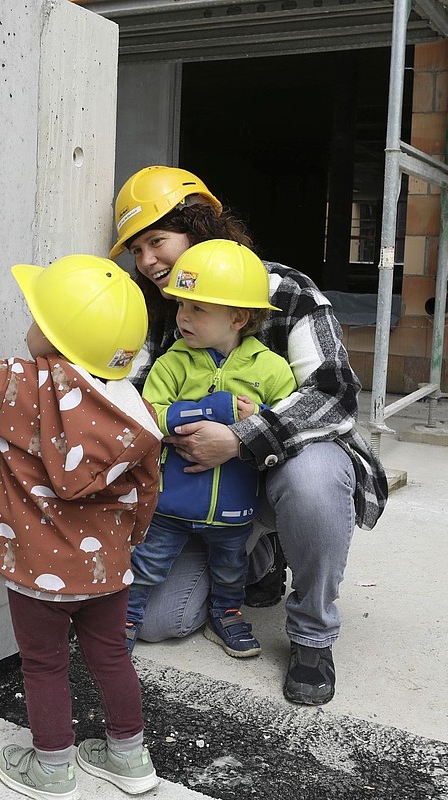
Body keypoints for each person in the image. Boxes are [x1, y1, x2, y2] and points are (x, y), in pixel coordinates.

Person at [110, 165, 388, 706]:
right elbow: (134, 400)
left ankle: (311, 634)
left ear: (199, 229)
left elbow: (334, 392)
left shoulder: (284, 289)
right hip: (198, 491)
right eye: (136, 251)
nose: (146, 262)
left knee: (313, 479)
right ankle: (258, 558)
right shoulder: (156, 308)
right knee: (159, 622)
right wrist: (179, 428)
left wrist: (239, 438)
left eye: (156, 241)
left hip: (275, 469)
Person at [0, 254, 162, 799]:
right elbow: (148, 493)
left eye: (35, 313)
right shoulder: (136, 410)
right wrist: (127, 545)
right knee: (111, 655)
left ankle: (52, 766)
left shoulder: (22, 385)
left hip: (35, 570)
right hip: (107, 570)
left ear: (52, 333)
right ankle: (129, 755)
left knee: (44, 662)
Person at [125, 239, 297, 661]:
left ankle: (227, 614)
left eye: (198, 309)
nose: (182, 316)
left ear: (238, 317)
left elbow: (288, 420)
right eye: (182, 305)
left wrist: (258, 415)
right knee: (147, 564)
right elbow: (150, 414)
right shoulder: (173, 362)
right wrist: (214, 408)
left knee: (230, 567)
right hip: (170, 507)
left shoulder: (271, 368)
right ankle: (124, 618)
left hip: (235, 508)